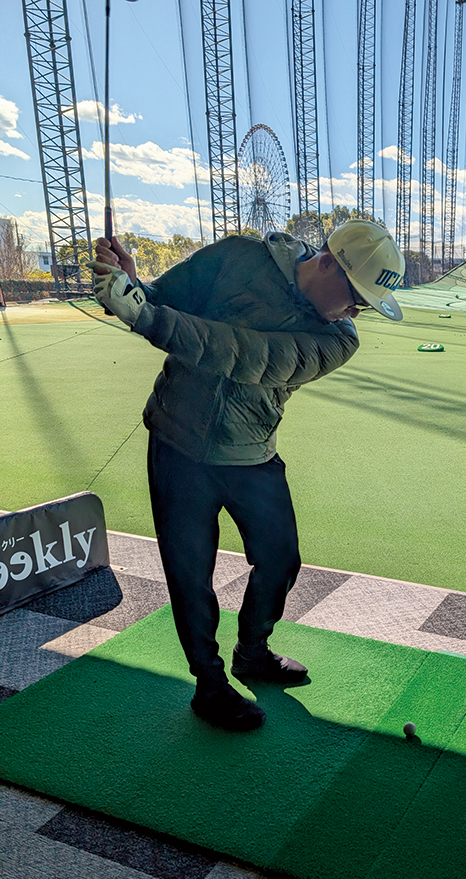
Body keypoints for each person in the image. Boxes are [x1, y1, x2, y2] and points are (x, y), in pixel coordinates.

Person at [88, 219, 405, 732]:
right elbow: (164, 300)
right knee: (190, 575)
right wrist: (128, 283)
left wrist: (143, 313)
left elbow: (245, 355)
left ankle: (253, 652)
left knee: (280, 560)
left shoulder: (337, 339)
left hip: (251, 452)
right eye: (356, 300)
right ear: (328, 263)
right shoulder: (237, 255)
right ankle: (209, 685)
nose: (355, 313)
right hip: (177, 441)